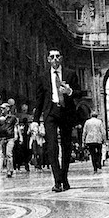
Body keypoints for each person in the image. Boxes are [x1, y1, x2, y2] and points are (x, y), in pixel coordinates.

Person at [34, 49, 76, 192]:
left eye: (57, 56)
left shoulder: (70, 74)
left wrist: (69, 92)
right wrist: (35, 120)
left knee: (66, 146)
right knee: (51, 146)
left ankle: (64, 178)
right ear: (48, 60)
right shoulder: (42, 77)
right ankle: (57, 180)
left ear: (61, 58)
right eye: (52, 57)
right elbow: (39, 99)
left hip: (66, 112)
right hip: (50, 112)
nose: (55, 59)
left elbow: (79, 93)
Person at [0, 104, 16, 178]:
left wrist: (17, 136)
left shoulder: (12, 118)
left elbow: (15, 127)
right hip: (2, 138)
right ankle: (9, 169)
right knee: (4, 154)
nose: (2, 110)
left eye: (3, 108)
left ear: (8, 109)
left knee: (8, 154)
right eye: (1, 108)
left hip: (10, 138)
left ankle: (9, 170)